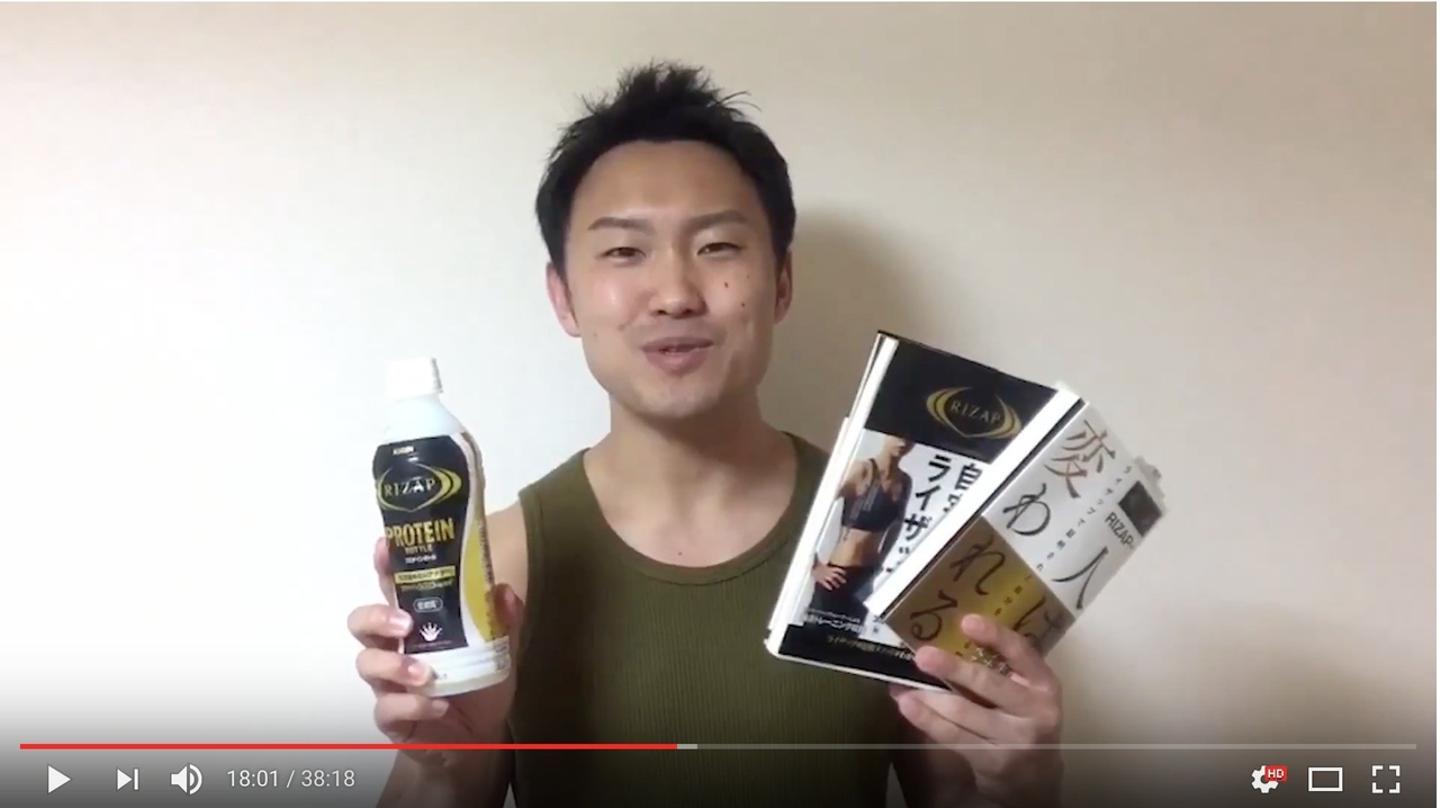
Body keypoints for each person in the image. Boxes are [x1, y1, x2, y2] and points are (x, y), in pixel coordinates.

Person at [348, 61, 1065, 808]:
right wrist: (445, 759)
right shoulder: (499, 571)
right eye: (624, 251)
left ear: (781, 282)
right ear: (563, 297)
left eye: (718, 246)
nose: (675, 295)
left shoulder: (901, 541)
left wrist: (1025, 783)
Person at [811, 434, 915, 624]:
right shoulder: (862, 470)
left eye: (909, 439)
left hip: (866, 577)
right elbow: (810, 509)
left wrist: (881, 562)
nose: (902, 443)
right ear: (885, 435)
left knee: (850, 637)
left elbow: (896, 525)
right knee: (813, 635)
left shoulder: (904, 481)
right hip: (838, 576)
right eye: (897, 436)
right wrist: (814, 565)